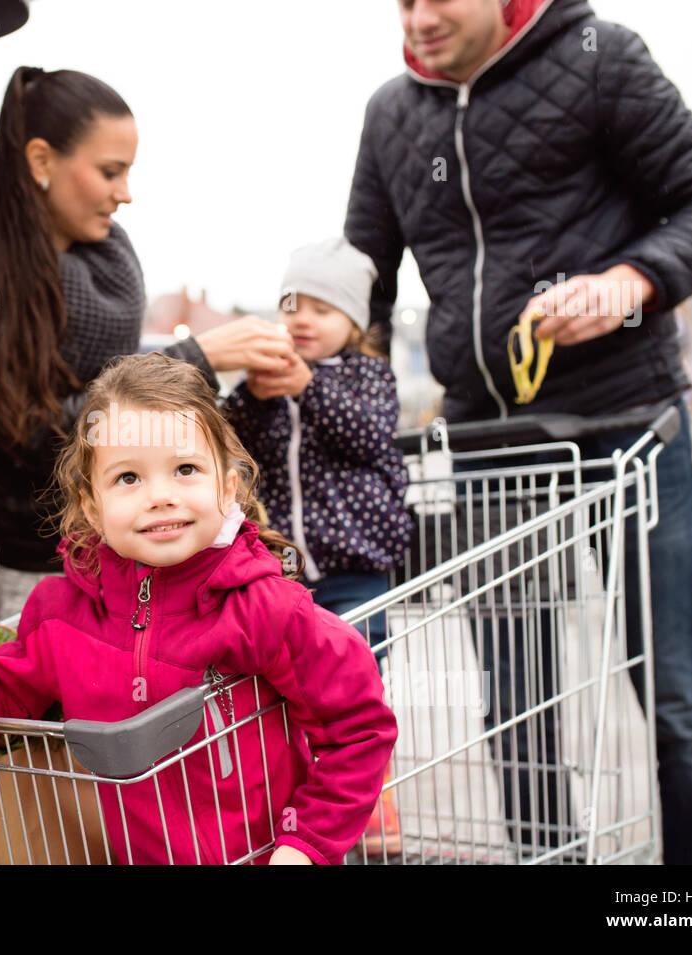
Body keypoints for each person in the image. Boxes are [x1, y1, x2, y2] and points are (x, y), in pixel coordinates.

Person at [344, 0, 692, 864]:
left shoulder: (600, 59)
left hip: (628, 424)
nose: (416, 17)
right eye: (402, 0)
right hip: (492, 445)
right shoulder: (390, 112)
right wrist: (328, 365)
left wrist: (635, 279)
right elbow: (366, 287)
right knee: (516, 698)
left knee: (674, 691)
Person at [0, 353, 397, 865]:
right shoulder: (60, 614)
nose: (160, 496)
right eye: (128, 478)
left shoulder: (263, 607)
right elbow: (6, 688)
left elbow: (359, 729)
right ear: (92, 504)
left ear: (227, 488)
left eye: (185, 470)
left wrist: (305, 844)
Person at [0, 66, 294, 620]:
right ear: (42, 161)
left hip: (145, 557)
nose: (126, 194)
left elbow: (114, 384)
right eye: (110, 172)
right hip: (46, 574)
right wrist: (198, 358)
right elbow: (34, 436)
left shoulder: (103, 261)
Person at [221, 237, 413, 858]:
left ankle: (369, 791)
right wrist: (253, 392)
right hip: (288, 573)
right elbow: (233, 440)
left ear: (353, 324)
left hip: (356, 567)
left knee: (356, 684)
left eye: (321, 310)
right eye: (292, 305)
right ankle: (304, 799)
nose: (301, 319)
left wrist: (307, 386)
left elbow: (368, 435)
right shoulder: (268, 384)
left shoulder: (367, 377)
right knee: (293, 691)